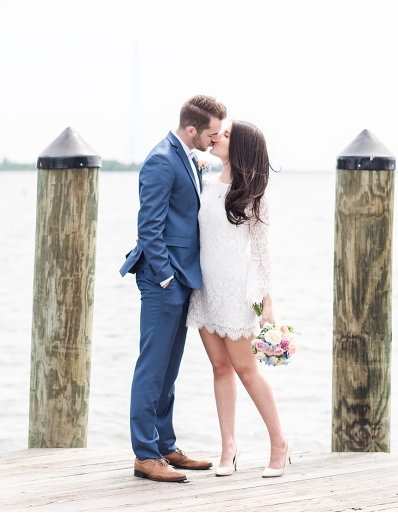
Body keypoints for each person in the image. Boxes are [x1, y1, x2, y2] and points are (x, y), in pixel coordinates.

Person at [120, 95, 227, 483]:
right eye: (211, 133)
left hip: (183, 279)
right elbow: (149, 226)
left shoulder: (186, 156)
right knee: (152, 368)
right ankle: (145, 455)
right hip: (163, 280)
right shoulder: (161, 159)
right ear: (191, 129)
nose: (214, 141)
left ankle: (165, 445)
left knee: (169, 369)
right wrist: (165, 276)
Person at [186, 120, 293, 478]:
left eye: (227, 135)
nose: (217, 137)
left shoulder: (253, 195)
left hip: (236, 291)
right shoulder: (204, 184)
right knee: (219, 368)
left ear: (242, 148)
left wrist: (268, 306)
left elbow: (262, 255)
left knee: (246, 370)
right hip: (205, 289)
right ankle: (228, 447)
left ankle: (279, 442)